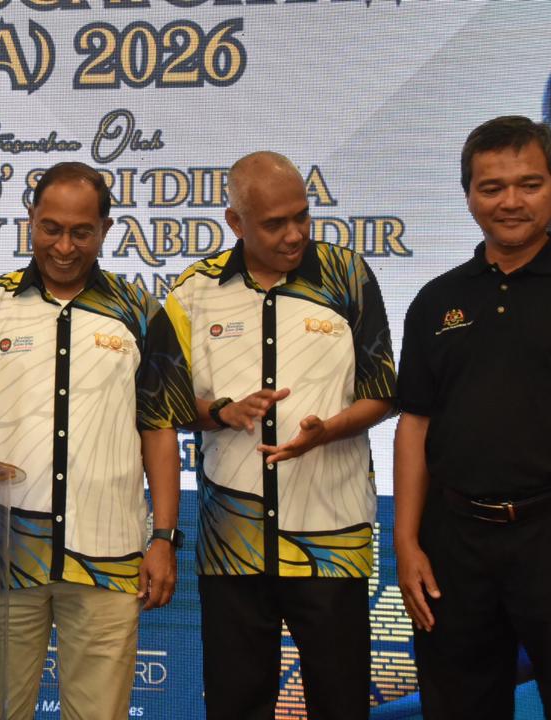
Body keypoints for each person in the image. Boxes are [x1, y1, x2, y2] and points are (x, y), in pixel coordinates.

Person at [0, 161, 196, 720]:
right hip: (3, 554)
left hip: (109, 553)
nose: (64, 247)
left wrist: (163, 537)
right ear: (30, 220)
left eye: (81, 232)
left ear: (106, 229)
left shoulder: (142, 313)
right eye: (51, 228)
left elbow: (159, 428)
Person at [164, 151, 396, 719]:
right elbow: (165, 405)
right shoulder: (194, 291)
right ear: (235, 222)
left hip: (332, 536)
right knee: (236, 704)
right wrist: (221, 411)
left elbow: (384, 392)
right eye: (274, 224)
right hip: (231, 544)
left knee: (341, 703)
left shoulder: (347, 275)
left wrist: (328, 430)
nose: (294, 235)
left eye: (301, 217)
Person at [394, 115, 551, 718]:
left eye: (529, 184)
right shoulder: (437, 299)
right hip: (454, 545)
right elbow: (415, 424)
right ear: (468, 196)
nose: (511, 201)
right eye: (492, 187)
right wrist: (406, 541)